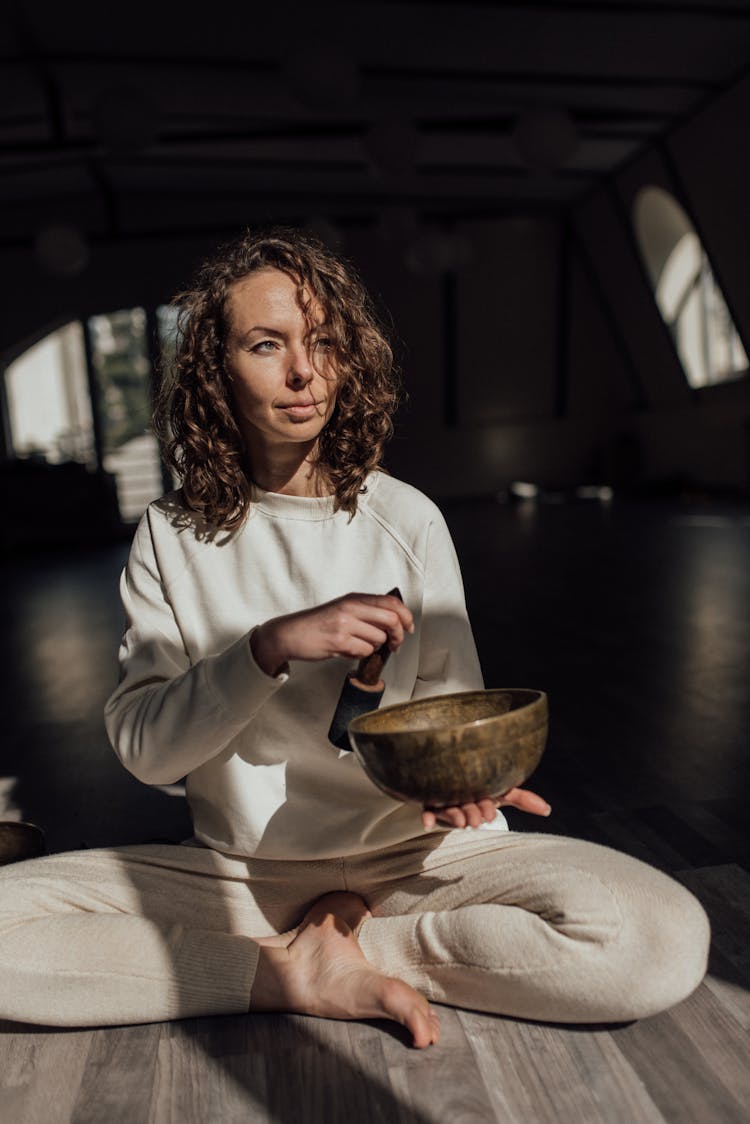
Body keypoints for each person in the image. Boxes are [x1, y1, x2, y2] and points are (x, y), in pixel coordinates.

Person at [0, 228, 709, 1047]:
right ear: (215, 369)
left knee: (657, 935)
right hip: (242, 877)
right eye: (268, 345)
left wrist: (455, 782)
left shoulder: (406, 520)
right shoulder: (171, 535)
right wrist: (265, 648)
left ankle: (357, 941)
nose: (305, 373)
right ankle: (287, 970)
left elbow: (451, 715)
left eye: (325, 343)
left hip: (411, 866)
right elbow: (148, 751)